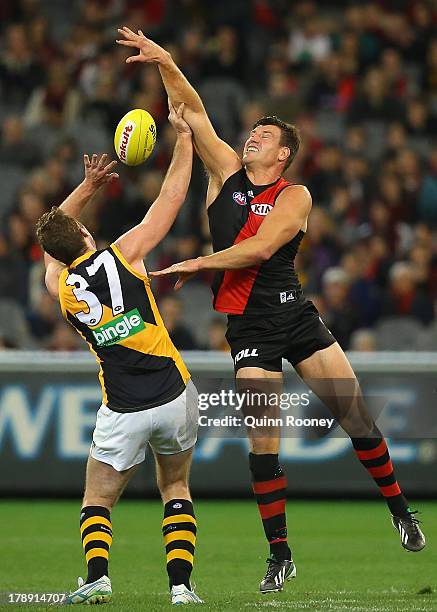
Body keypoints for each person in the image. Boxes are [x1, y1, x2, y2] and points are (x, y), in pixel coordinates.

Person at [116, 27, 426, 595]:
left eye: (264, 135)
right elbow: (189, 108)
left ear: (284, 154)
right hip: (250, 328)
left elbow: (260, 249)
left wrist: (200, 263)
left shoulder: (294, 197)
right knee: (264, 441)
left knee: (356, 417)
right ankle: (279, 554)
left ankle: (401, 511)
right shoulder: (226, 177)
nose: (252, 137)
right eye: (252, 132)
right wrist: (164, 59)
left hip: (295, 317)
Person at [35, 103, 203, 606]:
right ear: (87, 235)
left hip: (123, 408)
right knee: (175, 487)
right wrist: (185, 141)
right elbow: (171, 200)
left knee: (99, 498)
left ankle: (97, 577)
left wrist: (83, 191)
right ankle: (181, 590)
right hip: (174, 393)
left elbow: (51, 238)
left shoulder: (60, 286)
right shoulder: (125, 254)